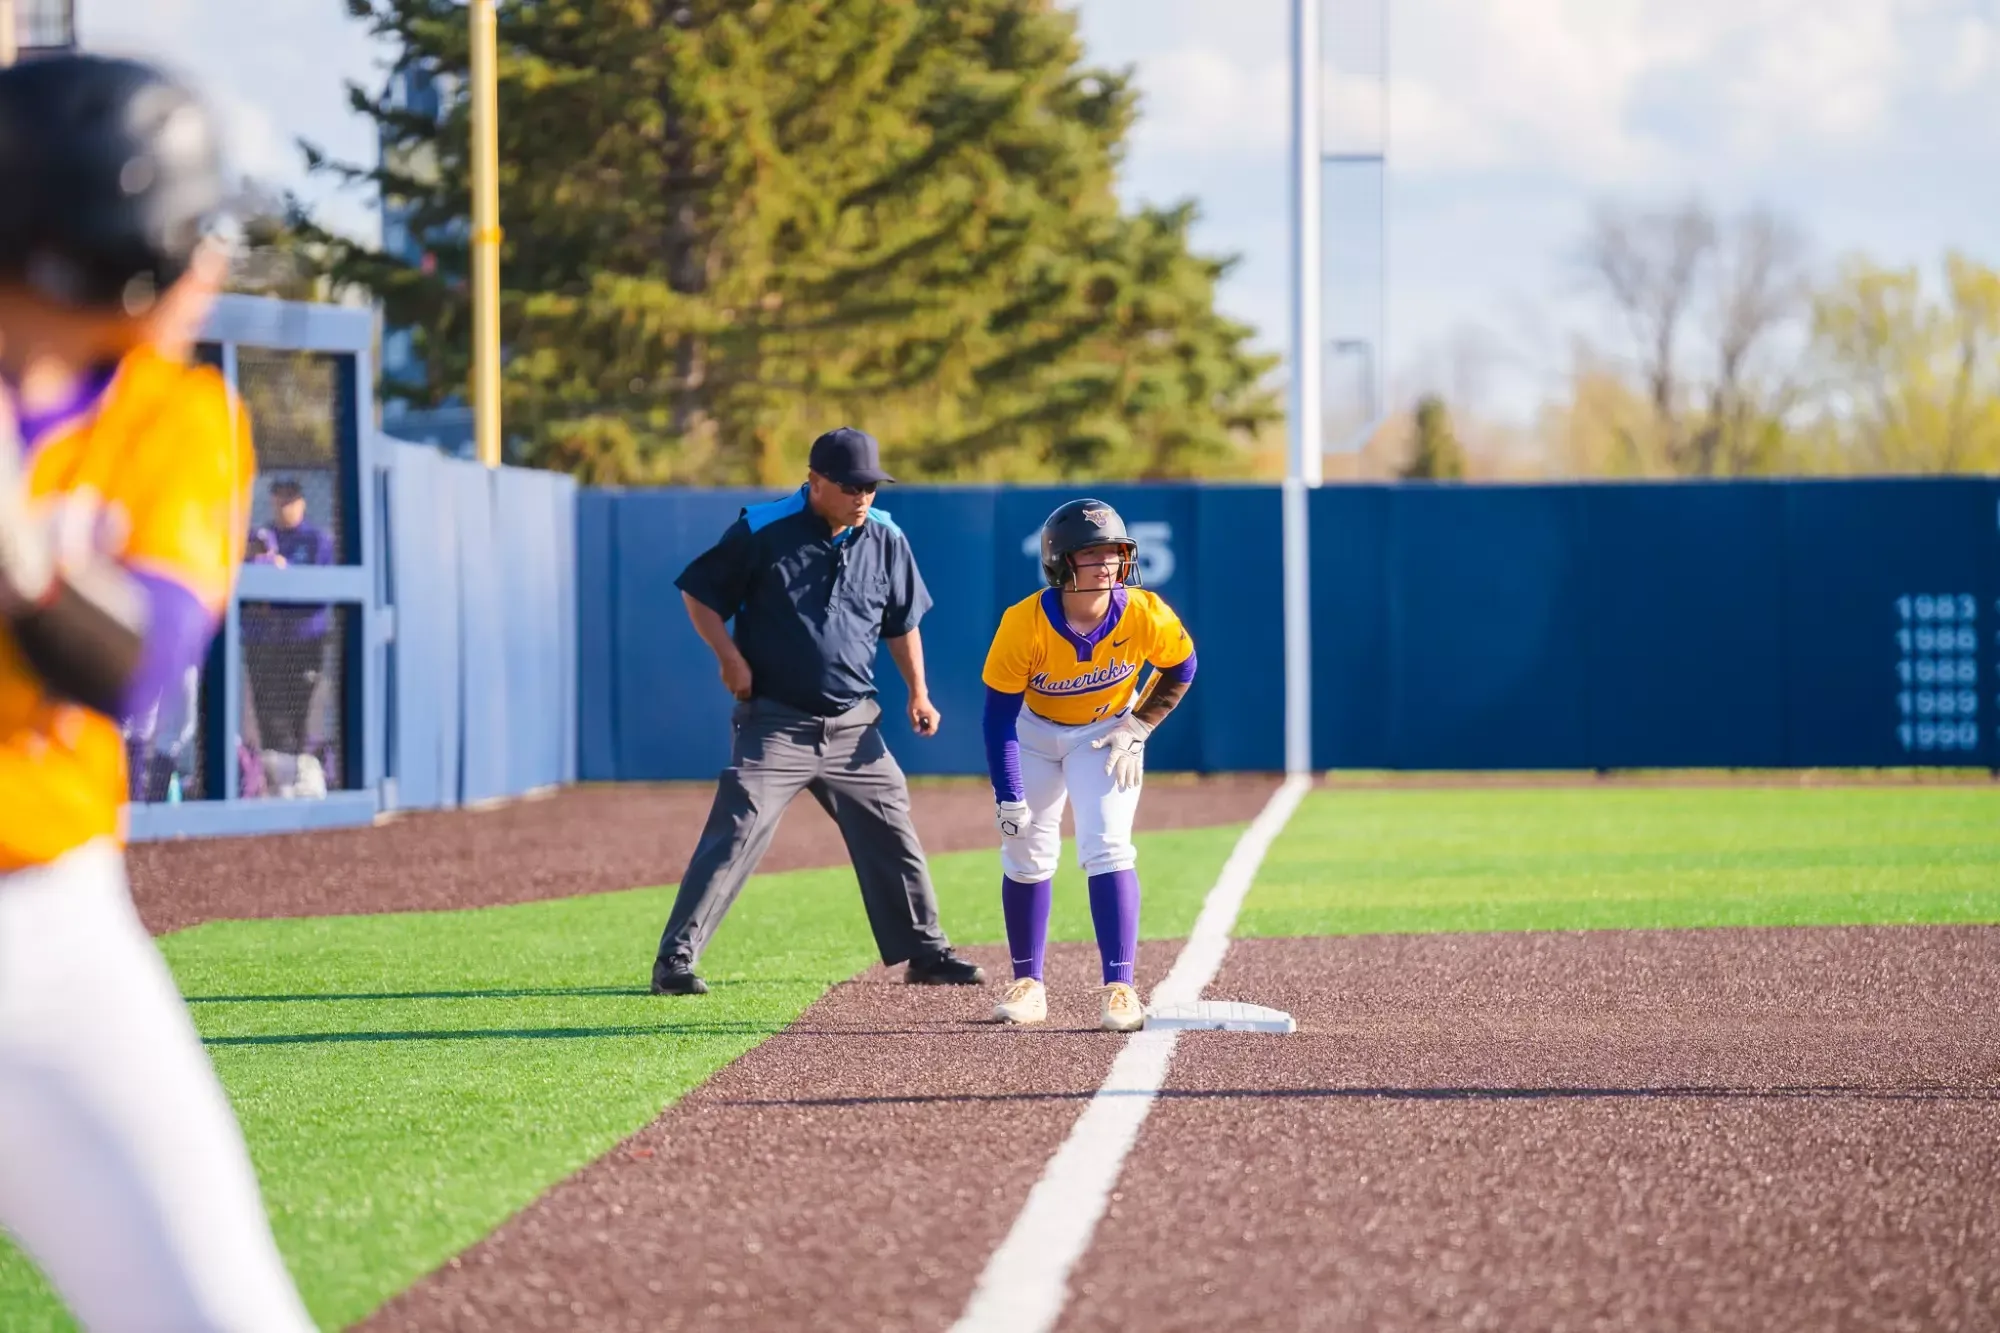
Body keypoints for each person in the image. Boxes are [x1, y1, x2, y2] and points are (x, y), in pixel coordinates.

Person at [0, 54, 317, 1331]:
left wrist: (25, 562)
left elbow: (137, 662)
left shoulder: (177, 417)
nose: (212, 266)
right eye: (191, 238)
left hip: (43, 932)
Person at [651, 427, 985, 995]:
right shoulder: (761, 529)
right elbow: (699, 593)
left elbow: (902, 624)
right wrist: (728, 656)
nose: (863, 497)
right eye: (851, 486)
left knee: (892, 830)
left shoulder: (885, 536)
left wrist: (918, 692)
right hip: (775, 723)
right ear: (815, 482)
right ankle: (675, 962)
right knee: (736, 830)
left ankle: (925, 953)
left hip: (855, 726)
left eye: (871, 487)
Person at [979, 499, 1198, 1032]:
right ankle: (1029, 982)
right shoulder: (1023, 623)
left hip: (1105, 734)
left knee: (1107, 844)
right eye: (1092, 553)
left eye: (1115, 552)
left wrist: (1139, 727)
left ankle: (1120, 986)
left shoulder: (1145, 612)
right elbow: (997, 719)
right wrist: (1008, 795)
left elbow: (1181, 668)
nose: (1107, 564)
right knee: (1027, 852)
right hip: (1033, 734)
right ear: (1060, 562)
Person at [241, 477, 333, 798]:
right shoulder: (262, 538)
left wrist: (285, 571)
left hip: (304, 642)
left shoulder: (317, 540)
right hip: (264, 642)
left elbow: (321, 592)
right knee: (269, 714)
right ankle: (277, 783)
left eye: (290, 499)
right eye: (279, 499)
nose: (284, 506)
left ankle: (303, 780)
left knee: (301, 716)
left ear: (302, 503)